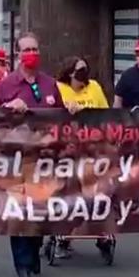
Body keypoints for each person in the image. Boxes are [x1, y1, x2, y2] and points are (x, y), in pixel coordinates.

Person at [0, 32, 64, 277]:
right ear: (18, 54)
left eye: (35, 48)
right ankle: (21, 265)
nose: (32, 53)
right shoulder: (7, 85)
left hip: (45, 159)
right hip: (18, 160)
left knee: (40, 212)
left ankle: (33, 253)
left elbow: (61, 117)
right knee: (20, 213)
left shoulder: (50, 84)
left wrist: (75, 112)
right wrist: (10, 108)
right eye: (27, 49)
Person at [54, 56, 112, 261]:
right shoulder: (59, 88)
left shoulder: (94, 87)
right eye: (79, 71)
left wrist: (86, 112)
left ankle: (102, 235)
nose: (83, 75)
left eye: (85, 70)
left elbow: (106, 115)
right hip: (68, 150)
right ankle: (64, 237)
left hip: (93, 149)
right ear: (70, 73)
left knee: (97, 192)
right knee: (69, 192)